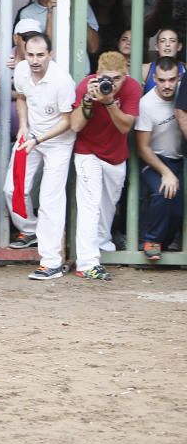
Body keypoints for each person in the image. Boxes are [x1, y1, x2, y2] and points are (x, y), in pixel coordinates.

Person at [5, 33, 77, 280]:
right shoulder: (22, 70)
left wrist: (39, 139)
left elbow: (68, 121)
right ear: (25, 54)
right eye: (30, 54)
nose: (35, 60)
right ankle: (33, 230)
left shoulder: (62, 81)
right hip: (32, 136)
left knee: (50, 200)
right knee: (11, 188)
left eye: (40, 55)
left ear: (50, 55)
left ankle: (51, 262)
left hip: (57, 142)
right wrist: (24, 126)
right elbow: (22, 97)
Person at [70, 51, 141, 281]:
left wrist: (109, 102)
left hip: (115, 155)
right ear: (98, 74)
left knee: (108, 205)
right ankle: (87, 262)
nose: (111, 83)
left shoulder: (131, 88)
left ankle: (99, 245)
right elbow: (75, 125)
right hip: (87, 151)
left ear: (125, 75)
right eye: (107, 78)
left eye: (117, 78)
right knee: (89, 205)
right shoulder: (85, 86)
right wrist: (88, 100)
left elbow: (125, 127)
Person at [134, 57, 183, 262]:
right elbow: (142, 148)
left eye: (172, 80)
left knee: (179, 208)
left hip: (181, 159)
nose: (167, 85)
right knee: (163, 192)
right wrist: (166, 172)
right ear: (154, 78)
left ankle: (167, 240)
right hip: (155, 160)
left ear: (179, 78)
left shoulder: (183, 95)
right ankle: (150, 240)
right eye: (162, 80)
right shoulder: (147, 104)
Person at [16, 0, 99, 62]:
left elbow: (94, 47)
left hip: (80, 73)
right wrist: (50, 12)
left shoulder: (79, 4)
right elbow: (44, 53)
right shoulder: (27, 13)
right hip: (48, 74)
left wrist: (72, 10)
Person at [141, 29, 185, 93]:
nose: (167, 44)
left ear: (179, 46)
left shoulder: (185, 68)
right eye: (163, 41)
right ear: (156, 46)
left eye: (172, 41)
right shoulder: (145, 69)